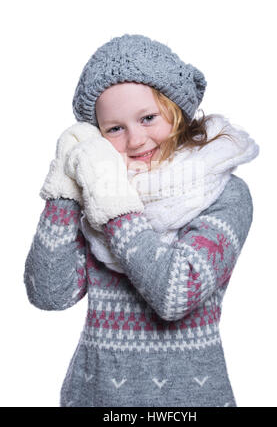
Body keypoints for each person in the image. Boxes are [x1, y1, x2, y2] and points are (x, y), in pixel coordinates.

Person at [24, 34, 259, 407]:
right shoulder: (99, 189)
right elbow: (49, 294)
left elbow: (175, 294)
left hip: (191, 401)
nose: (135, 140)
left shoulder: (225, 194)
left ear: (176, 111)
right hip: (93, 396)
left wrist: (114, 204)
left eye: (148, 118)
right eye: (114, 128)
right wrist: (66, 187)